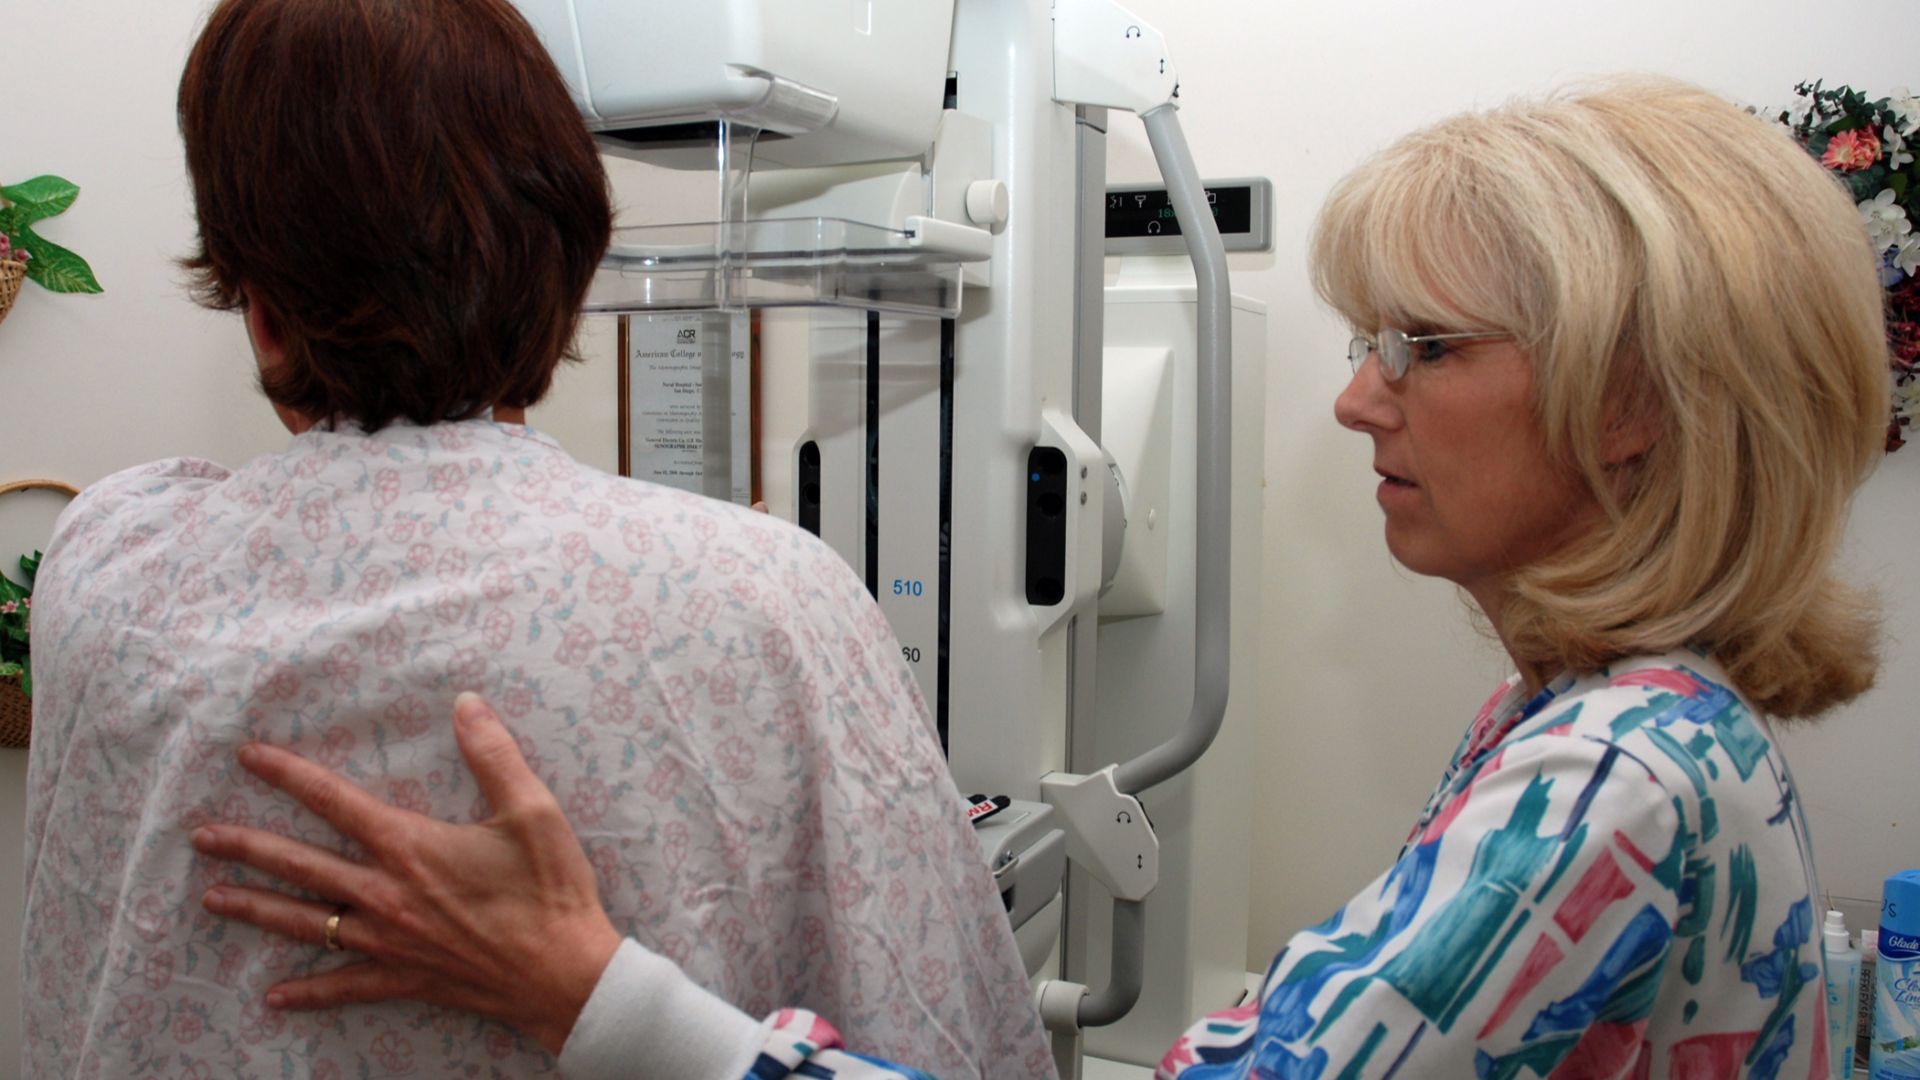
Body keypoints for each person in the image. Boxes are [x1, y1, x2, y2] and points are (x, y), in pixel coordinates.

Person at [190, 76, 1890, 1077]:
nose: (1357, 393)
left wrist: (598, 998)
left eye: (1421, 345)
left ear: (1639, 402)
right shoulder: (1601, 719)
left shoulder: (1608, 786)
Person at [21, 0, 1049, 1076]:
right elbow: (952, 1033)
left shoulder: (108, 566)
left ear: (266, 316)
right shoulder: (768, 600)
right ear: (566, 273)